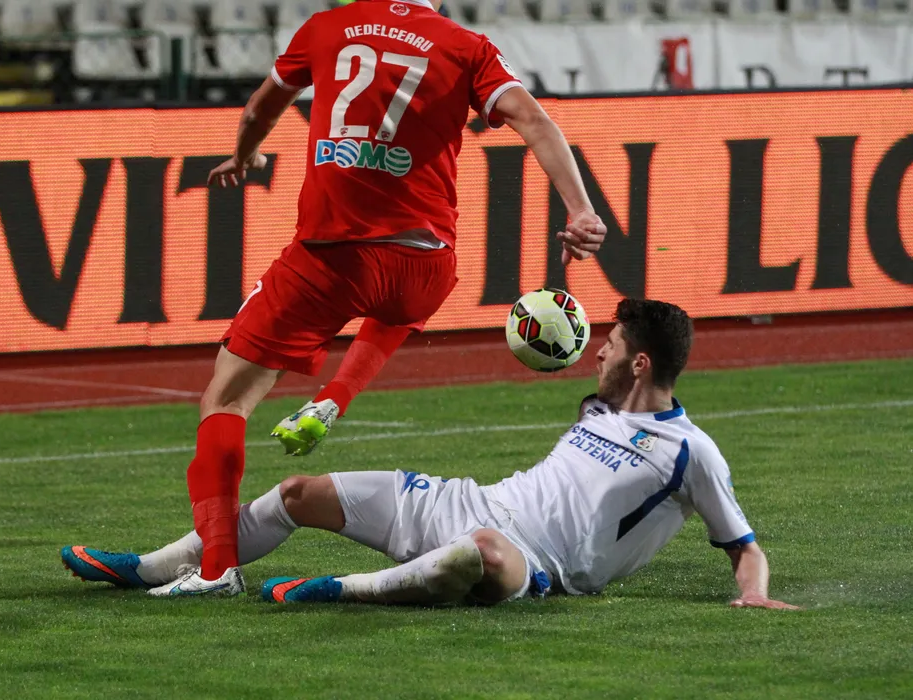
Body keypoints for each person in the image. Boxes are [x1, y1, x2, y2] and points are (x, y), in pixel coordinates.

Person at [138, 0, 606, 598]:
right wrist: (580, 210)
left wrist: (245, 152)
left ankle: (216, 569)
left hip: (334, 257)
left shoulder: (327, 27)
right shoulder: (466, 46)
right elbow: (534, 120)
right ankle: (333, 399)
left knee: (225, 399)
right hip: (427, 262)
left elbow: (260, 107)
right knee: (396, 308)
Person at [62, 300, 800, 610]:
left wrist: (755, 592)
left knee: (478, 555)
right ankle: (158, 567)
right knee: (296, 492)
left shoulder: (691, 453)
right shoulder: (600, 407)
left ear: (640, 363)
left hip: (532, 562)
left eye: (610, 346)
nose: (597, 353)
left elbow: (743, 546)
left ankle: (340, 589)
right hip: (468, 500)